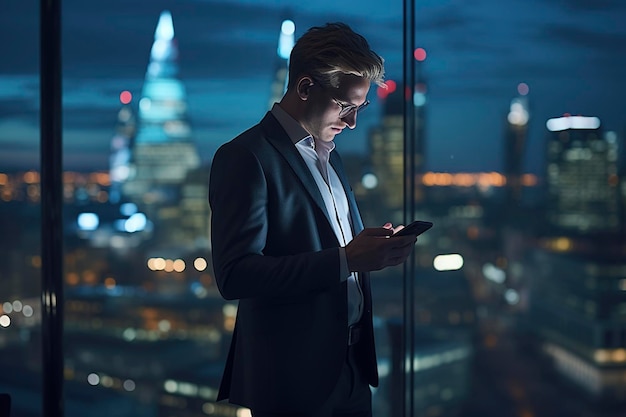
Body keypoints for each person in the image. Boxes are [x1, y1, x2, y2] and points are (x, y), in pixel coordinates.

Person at [209, 22, 419, 417]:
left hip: (354, 369)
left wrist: (369, 248)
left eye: (361, 108)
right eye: (346, 105)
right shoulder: (245, 157)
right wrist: (347, 260)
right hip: (292, 380)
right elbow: (236, 274)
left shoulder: (332, 154)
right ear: (306, 88)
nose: (354, 122)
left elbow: (330, 245)